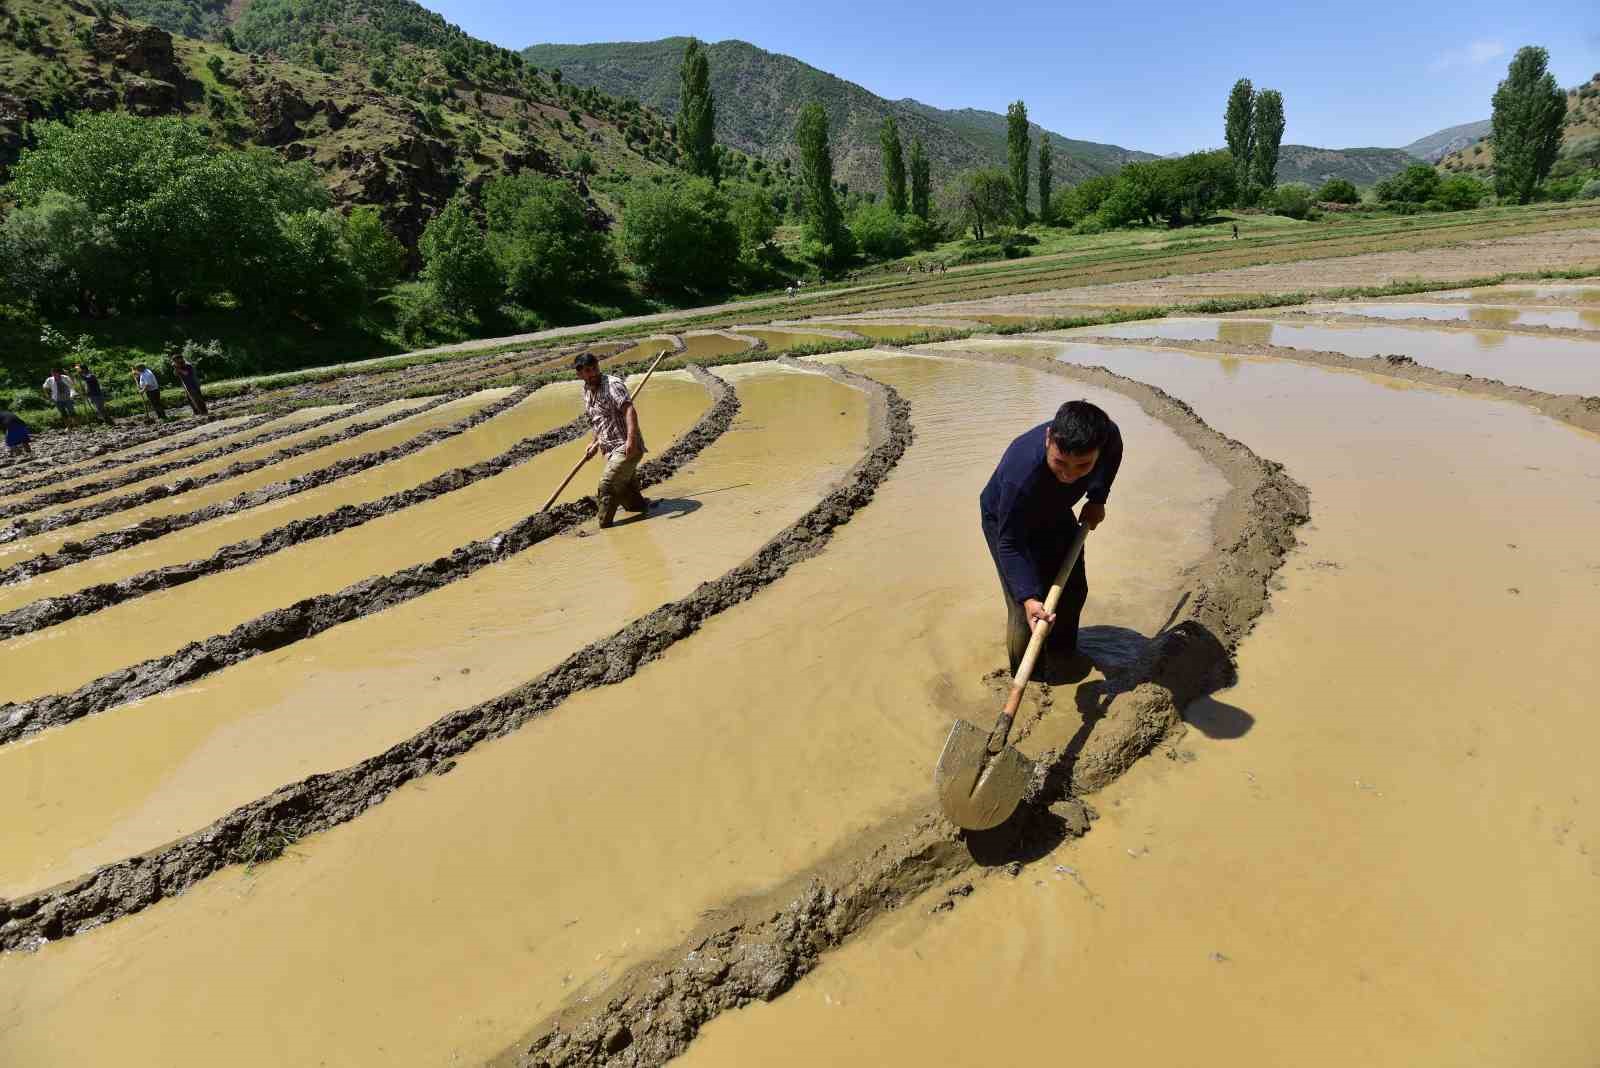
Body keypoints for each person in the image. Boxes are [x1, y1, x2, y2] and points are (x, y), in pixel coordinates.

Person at [979, 400, 1123, 678]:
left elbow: (1114, 450)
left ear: (1097, 451)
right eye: (1060, 462)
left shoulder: (1108, 436)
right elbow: (1010, 544)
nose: (1069, 475)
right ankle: (1027, 676)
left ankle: (1062, 655)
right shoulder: (1019, 475)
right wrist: (1029, 597)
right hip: (1008, 523)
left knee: (1073, 591)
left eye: (1082, 466)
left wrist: (1098, 498)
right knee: (1025, 612)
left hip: (1055, 510)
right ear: (1048, 439)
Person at [574, 352, 652, 529]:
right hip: (609, 449)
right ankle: (641, 507)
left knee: (607, 484)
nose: (593, 373)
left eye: (594, 368)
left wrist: (631, 441)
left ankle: (604, 526)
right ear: (579, 374)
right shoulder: (587, 390)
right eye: (587, 370)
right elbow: (598, 419)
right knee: (630, 500)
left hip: (625, 446)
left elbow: (629, 411)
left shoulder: (613, 385)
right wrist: (594, 443)